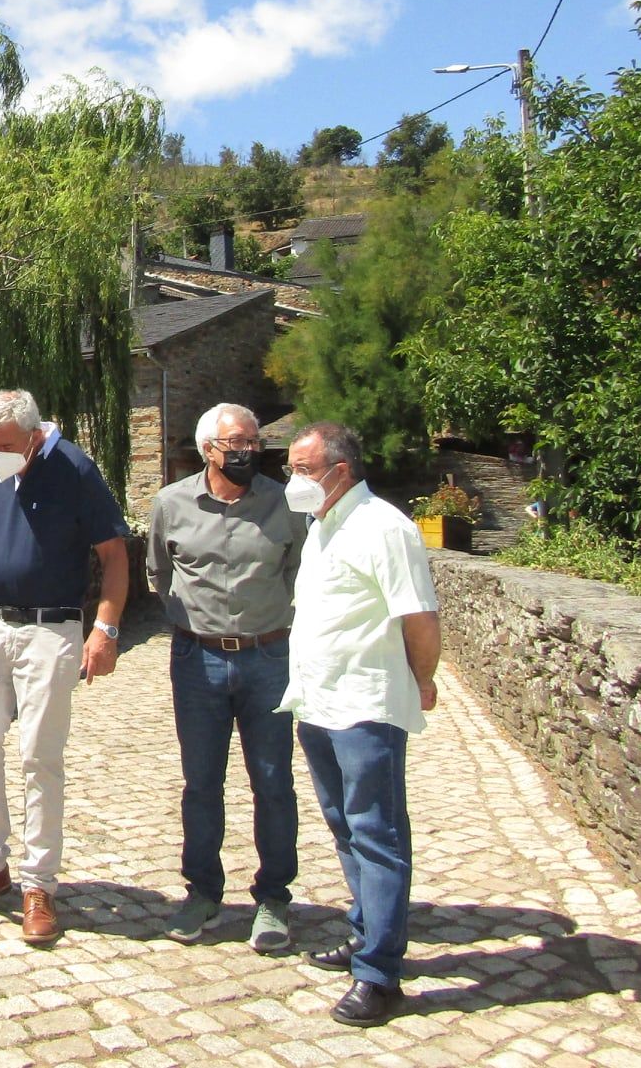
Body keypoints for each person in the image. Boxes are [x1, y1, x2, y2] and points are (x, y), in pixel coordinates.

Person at [0, 388, 128, 946]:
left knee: (39, 755)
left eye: (6, 445)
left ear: (35, 434)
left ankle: (38, 884)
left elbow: (113, 554)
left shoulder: (74, 468)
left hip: (51, 628)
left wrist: (105, 629)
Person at [278, 421, 441, 1027]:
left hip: (367, 706)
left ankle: (380, 974)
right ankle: (366, 931)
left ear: (339, 471)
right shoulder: (323, 527)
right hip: (318, 704)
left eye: (301, 468)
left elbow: (419, 617)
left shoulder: (385, 528)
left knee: (378, 833)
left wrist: (422, 681)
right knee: (346, 826)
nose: (291, 479)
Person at [148, 403, 303, 952]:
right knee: (201, 784)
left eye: (253, 442)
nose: (247, 451)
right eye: (235, 442)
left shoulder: (285, 504)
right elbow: (159, 575)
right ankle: (204, 892)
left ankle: (275, 898)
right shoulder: (171, 504)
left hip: (269, 659)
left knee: (274, 784)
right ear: (208, 447)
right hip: (198, 662)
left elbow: (297, 573)